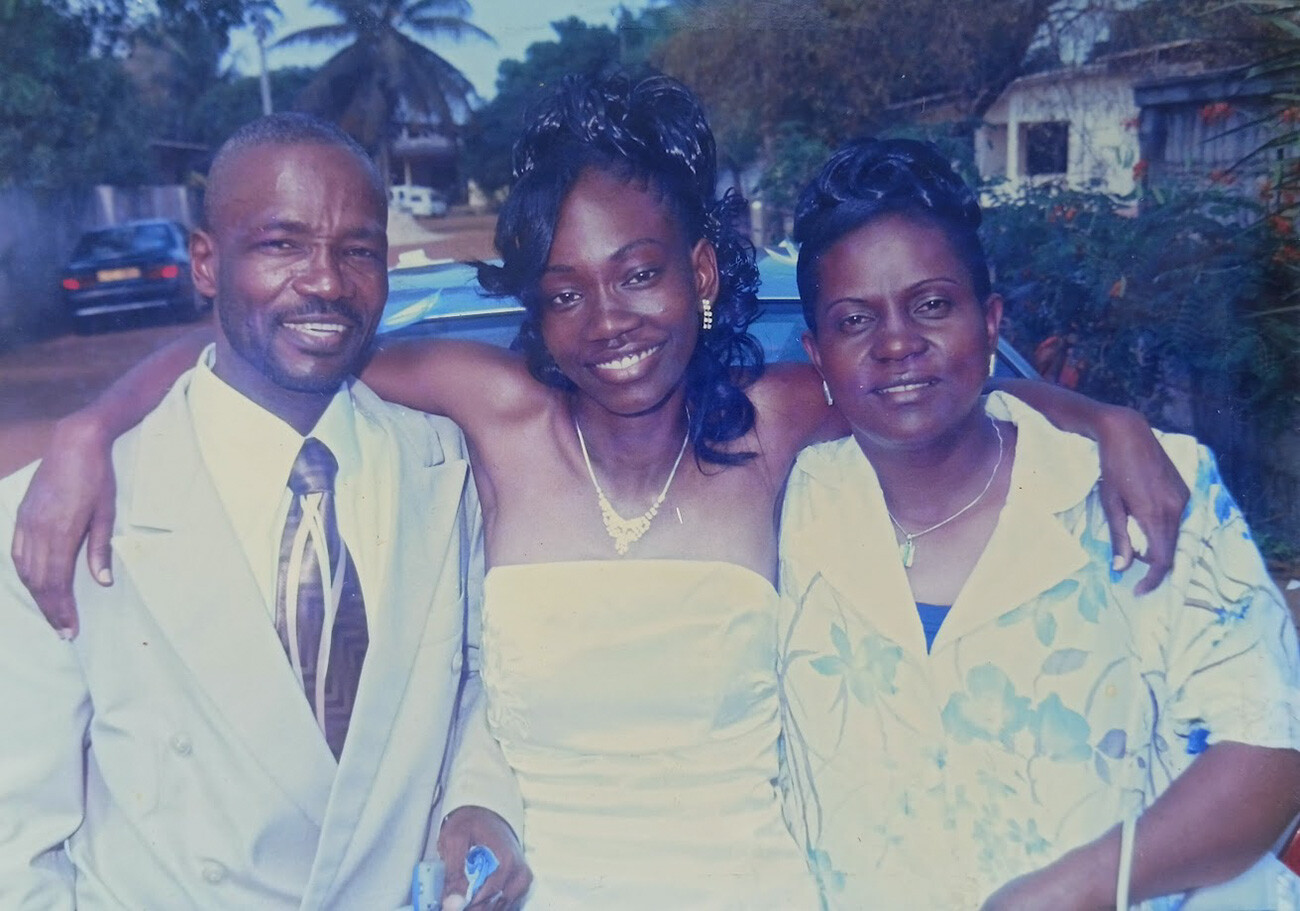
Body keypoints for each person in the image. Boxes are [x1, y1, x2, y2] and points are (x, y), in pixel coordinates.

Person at [11, 76, 1186, 908]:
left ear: (703, 273)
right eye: (565, 291)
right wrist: (90, 425)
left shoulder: (777, 424)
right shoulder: (489, 412)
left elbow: (928, 375)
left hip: (756, 889)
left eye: (637, 275)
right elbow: (276, 346)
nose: (609, 321)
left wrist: (1098, 416)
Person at [0, 114, 530, 908]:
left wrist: (478, 801)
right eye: (282, 244)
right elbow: (17, 840)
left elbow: (480, 686)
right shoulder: (59, 509)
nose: (325, 281)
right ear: (207, 262)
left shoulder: (446, 468)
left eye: (358, 250)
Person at [777, 137, 1300, 910]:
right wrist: (1097, 410)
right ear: (816, 354)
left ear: (990, 321)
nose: (897, 343)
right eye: (856, 320)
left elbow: (1270, 754)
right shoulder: (789, 500)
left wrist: (1082, 885)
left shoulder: (1150, 488)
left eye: (932, 304)